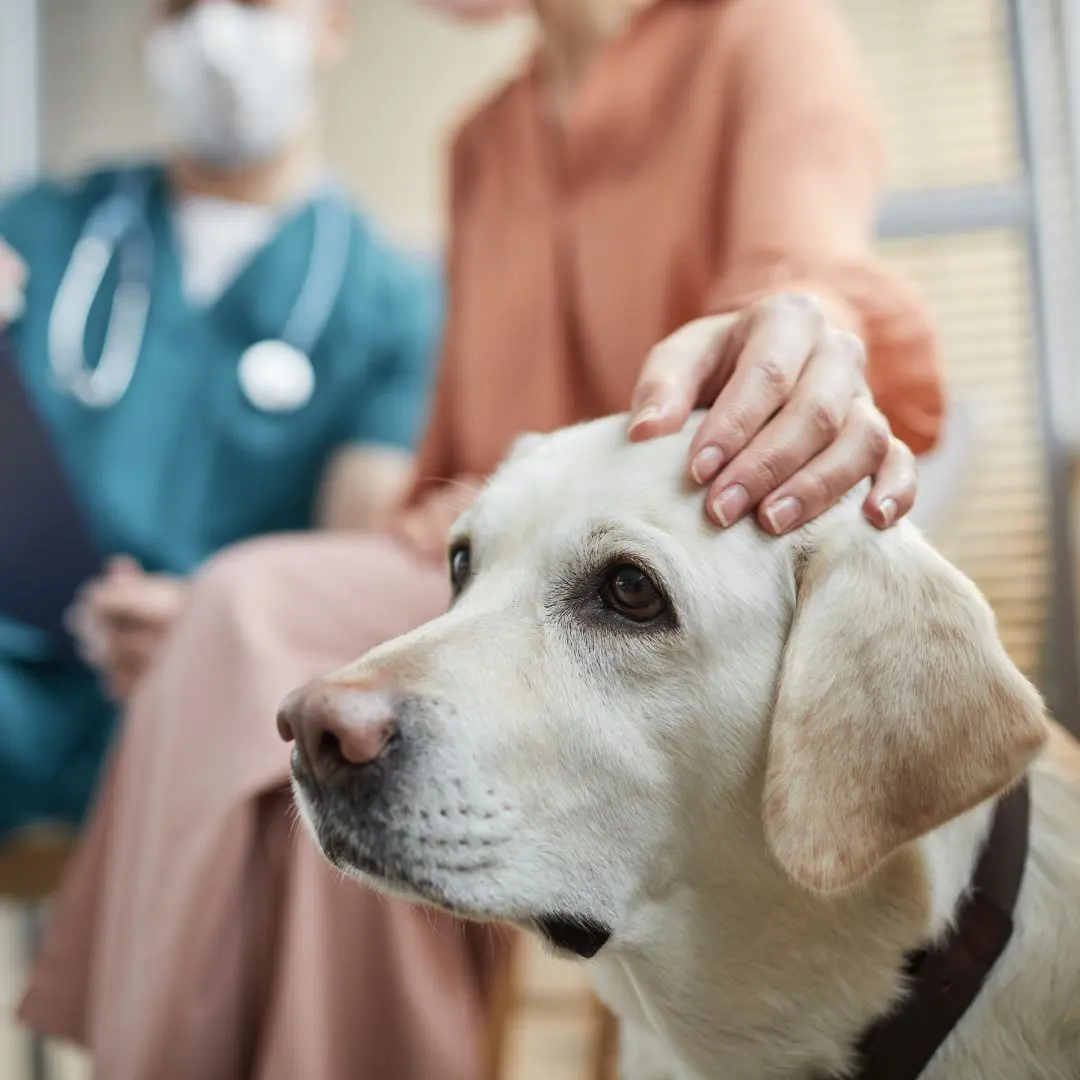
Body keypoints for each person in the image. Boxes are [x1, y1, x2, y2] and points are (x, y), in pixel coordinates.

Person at [20, 0, 944, 1077]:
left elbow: (805, 268)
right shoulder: (482, 142)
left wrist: (797, 330)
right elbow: (457, 471)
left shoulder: (759, 35)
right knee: (265, 654)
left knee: (253, 619)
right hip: (483, 566)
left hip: (669, 579)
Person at [0, 0, 439, 837]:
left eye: (252, 4)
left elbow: (349, 571)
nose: (214, 35)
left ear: (332, 25)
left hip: (221, 712)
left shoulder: (391, 303)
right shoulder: (37, 232)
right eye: (180, 7)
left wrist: (216, 630)